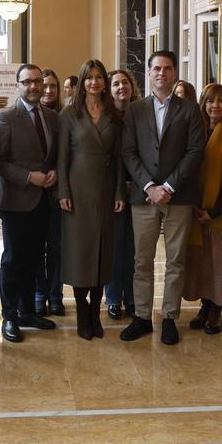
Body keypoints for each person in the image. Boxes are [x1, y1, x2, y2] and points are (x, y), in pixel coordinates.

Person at [120, 50, 206, 345]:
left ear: (174, 73)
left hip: (178, 198)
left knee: (175, 261)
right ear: (148, 72)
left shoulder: (190, 110)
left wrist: (168, 186)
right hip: (143, 198)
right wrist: (149, 186)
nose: (162, 73)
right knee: (141, 260)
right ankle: (142, 317)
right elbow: (128, 152)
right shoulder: (134, 110)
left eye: (167, 69)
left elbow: (196, 151)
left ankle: (170, 317)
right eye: (156, 68)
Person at [57, 59, 126, 339]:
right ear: (82, 81)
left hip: (106, 190)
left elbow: (120, 158)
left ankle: (95, 310)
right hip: (76, 191)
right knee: (78, 253)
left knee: (102, 252)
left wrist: (120, 191)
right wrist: (62, 191)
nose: (94, 82)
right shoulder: (68, 115)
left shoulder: (114, 115)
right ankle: (82, 312)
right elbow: (62, 158)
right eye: (89, 77)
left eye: (99, 77)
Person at [0, 63, 60, 343]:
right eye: (27, 82)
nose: (33, 86)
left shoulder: (53, 117)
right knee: (13, 260)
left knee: (34, 259)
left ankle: (27, 312)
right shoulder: (6, 117)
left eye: (37, 82)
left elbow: (54, 154)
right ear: (18, 85)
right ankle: (9, 317)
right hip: (16, 200)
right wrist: (28, 177)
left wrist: (54, 170)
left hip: (44, 200)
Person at [182, 83, 222, 334]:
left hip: (220, 211)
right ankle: (204, 306)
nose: (214, 106)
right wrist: (195, 205)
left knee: (219, 263)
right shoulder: (194, 134)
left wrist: (214, 210)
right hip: (195, 209)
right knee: (200, 263)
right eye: (210, 101)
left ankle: (216, 310)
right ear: (203, 104)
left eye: (220, 102)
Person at [104, 69, 141, 319]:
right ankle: (114, 298)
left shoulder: (141, 114)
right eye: (115, 83)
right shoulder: (104, 117)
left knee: (136, 249)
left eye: (124, 82)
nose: (121, 87)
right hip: (110, 192)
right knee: (115, 248)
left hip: (139, 189)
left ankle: (133, 297)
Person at [36, 69, 66, 315]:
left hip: (57, 191)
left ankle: (56, 294)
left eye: (53, 86)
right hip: (32, 190)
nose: (48, 91)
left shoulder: (64, 117)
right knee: (36, 246)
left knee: (56, 246)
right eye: (44, 85)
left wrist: (57, 170)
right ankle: (39, 293)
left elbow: (68, 154)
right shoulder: (25, 115)